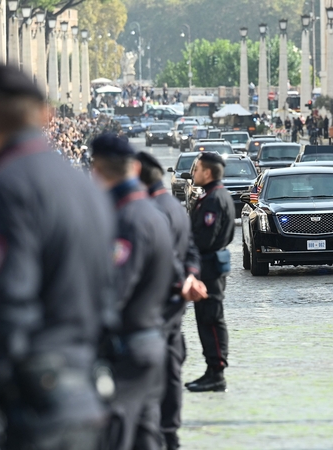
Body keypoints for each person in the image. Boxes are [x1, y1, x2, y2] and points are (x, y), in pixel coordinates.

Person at [0, 65, 116, 449]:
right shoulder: (85, 189)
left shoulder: (4, 190)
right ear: (46, 114)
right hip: (83, 397)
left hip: (22, 409)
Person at [91, 134, 175, 450]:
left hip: (128, 349)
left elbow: (113, 293)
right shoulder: (153, 213)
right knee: (145, 438)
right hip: (151, 341)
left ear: (97, 170)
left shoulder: (128, 220)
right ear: (135, 167)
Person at [135, 152, 205, 450]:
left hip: (155, 302)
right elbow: (190, 250)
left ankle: (159, 433)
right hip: (175, 302)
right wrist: (190, 277)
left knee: (155, 376)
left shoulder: (147, 210)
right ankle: (170, 431)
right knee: (172, 368)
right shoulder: (175, 207)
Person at [185, 152, 235, 393]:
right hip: (210, 264)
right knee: (207, 318)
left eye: (197, 169)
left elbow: (205, 237)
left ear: (207, 172)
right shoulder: (217, 195)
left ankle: (216, 372)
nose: (193, 173)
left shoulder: (214, 198)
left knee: (211, 319)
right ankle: (212, 369)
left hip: (209, 267)